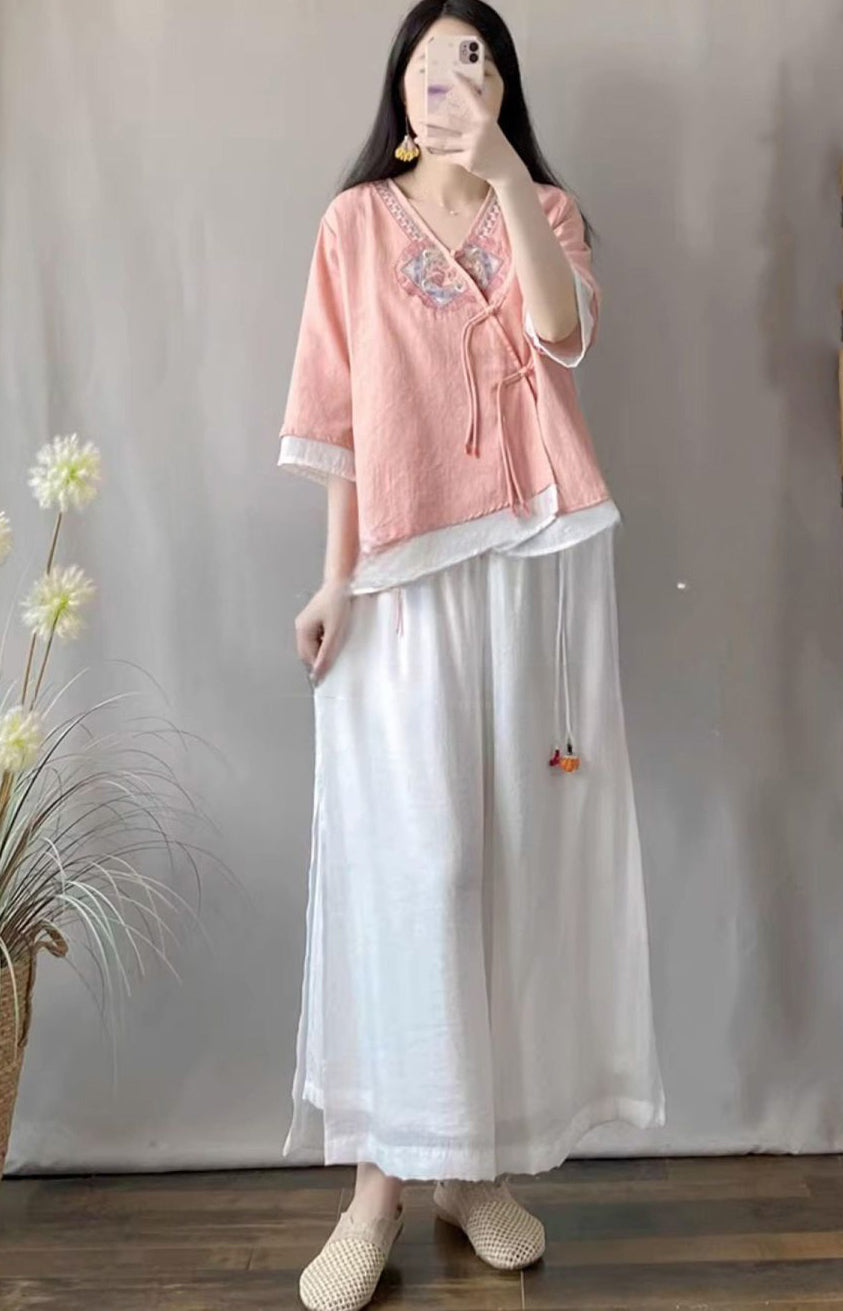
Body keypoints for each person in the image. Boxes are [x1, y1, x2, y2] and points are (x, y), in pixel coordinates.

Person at [276, 3, 666, 1308]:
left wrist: (502, 176)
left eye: (476, 57)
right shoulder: (352, 226)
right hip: (398, 579)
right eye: (431, 58)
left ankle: (473, 1168)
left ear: (501, 86)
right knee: (414, 873)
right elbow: (340, 420)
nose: (450, 76)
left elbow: (560, 336)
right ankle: (376, 1185)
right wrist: (333, 580)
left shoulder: (542, 210)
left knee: (509, 868)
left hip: (533, 571)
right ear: (398, 84)